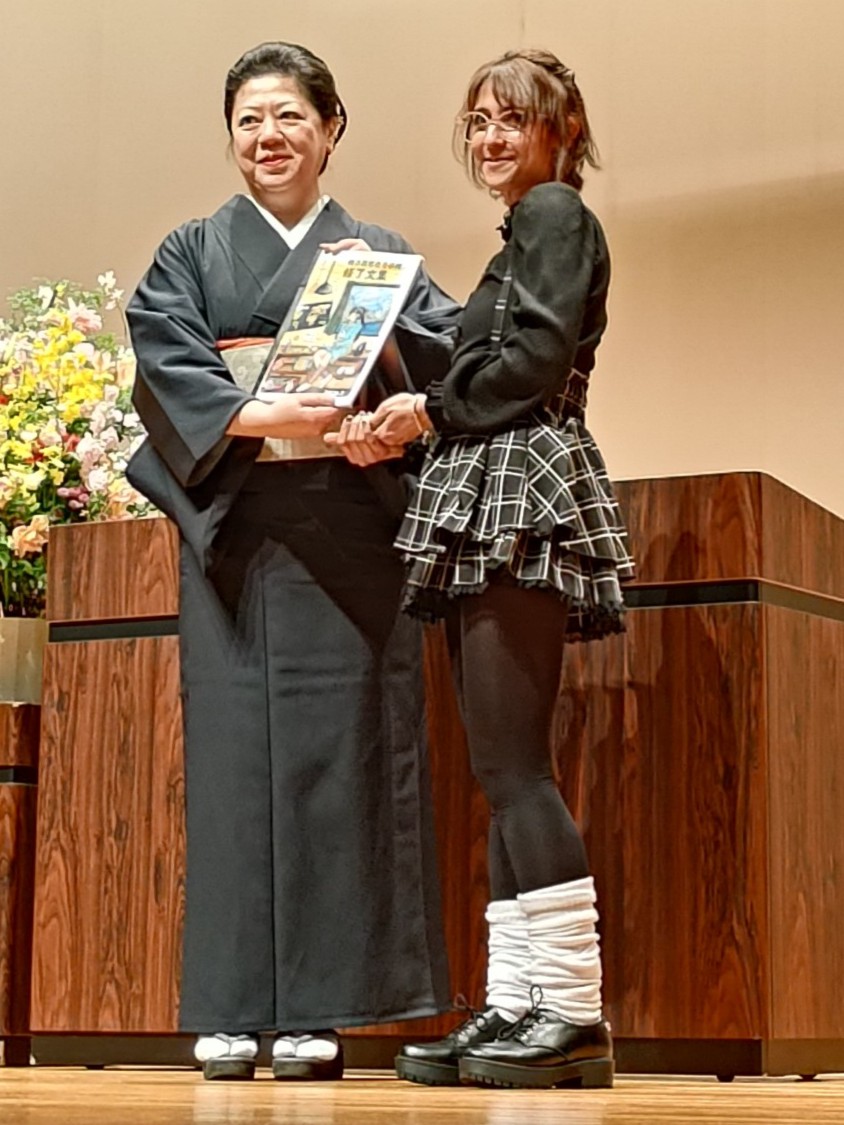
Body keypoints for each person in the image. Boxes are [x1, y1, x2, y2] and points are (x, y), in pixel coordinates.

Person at [125, 41, 459, 1082]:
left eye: (288, 117)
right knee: (232, 765)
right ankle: (231, 1006)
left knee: (343, 762)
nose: (267, 138)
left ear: (331, 127)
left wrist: (390, 395)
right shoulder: (191, 252)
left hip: (349, 526)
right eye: (249, 121)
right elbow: (163, 360)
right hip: (238, 526)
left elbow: (448, 359)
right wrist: (268, 413)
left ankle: (323, 1006)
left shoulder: (378, 253)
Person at [349, 48, 634, 1091]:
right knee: (501, 769)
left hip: (519, 481)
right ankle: (517, 1001)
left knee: (516, 768)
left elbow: (533, 363)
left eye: (513, 118)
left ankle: (572, 1012)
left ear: (563, 131)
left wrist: (427, 409)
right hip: (489, 480)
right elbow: (489, 361)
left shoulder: (556, 215)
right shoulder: (527, 229)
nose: (490, 138)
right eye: (477, 121)